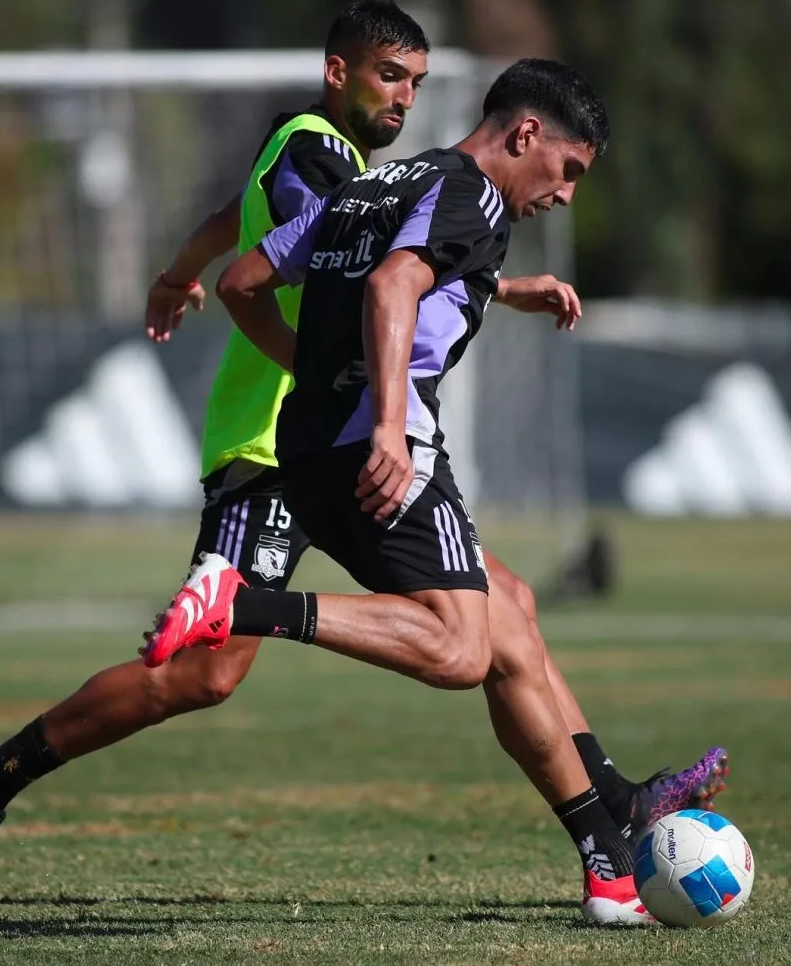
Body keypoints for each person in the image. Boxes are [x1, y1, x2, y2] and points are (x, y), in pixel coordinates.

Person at [0, 12, 724, 907]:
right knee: (202, 673)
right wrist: (374, 379)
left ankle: (608, 831)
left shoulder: (343, 168)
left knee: (505, 612)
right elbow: (352, 258)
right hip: (282, 444)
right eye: (390, 76)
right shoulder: (320, 153)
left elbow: (243, 224)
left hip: (324, 430)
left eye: (416, 82)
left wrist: (178, 272)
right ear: (336, 71)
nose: (405, 97)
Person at [140, 58, 724, 926]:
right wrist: (382, 421)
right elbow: (391, 283)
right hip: (383, 446)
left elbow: (239, 282)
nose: (564, 195)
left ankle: (611, 844)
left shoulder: (381, 184)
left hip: (307, 449)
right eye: (568, 170)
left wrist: (323, 379)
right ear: (525, 135)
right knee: (461, 649)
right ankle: (241, 603)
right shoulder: (473, 195)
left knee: (509, 612)